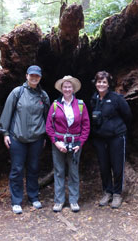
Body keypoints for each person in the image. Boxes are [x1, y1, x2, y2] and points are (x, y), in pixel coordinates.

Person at [0, 65, 50, 214]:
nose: (34, 78)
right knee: (17, 169)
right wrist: (5, 133)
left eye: (37, 76)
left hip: (37, 138)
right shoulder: (17, 92)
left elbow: (46, 117)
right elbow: (7, 112)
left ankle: (33, 197)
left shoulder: (43, 95)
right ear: (27, 76)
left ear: (40, 78)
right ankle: (16, 201)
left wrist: (45, 136)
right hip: (17, 137)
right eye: (32, 75)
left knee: (33, 168)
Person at [46, 75, 90, 213]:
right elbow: (49, 126)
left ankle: (73, 200)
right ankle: (59, 201)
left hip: (75, 144)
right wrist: (56, 142)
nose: (67, 89)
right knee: (59, 171)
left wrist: (80, 143)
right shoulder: (55, 105)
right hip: (58, 143)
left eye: (69, 86)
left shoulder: (81, 105)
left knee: (73, 172)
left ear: (73, 89)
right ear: (61, 89)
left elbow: (86, 126)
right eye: (65, 86)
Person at [90, 71, 132, 209]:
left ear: (108, 84)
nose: (101, 84)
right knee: (104, 166)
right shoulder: (94, 98)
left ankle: (117, 194)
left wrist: (116, 128)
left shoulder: (116, 98)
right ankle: (107, 192)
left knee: (117, 166)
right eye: (99, 82)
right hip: (100, 139)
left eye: (104, 82)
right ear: (95, 83)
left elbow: (127, 115)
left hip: (116, 137)